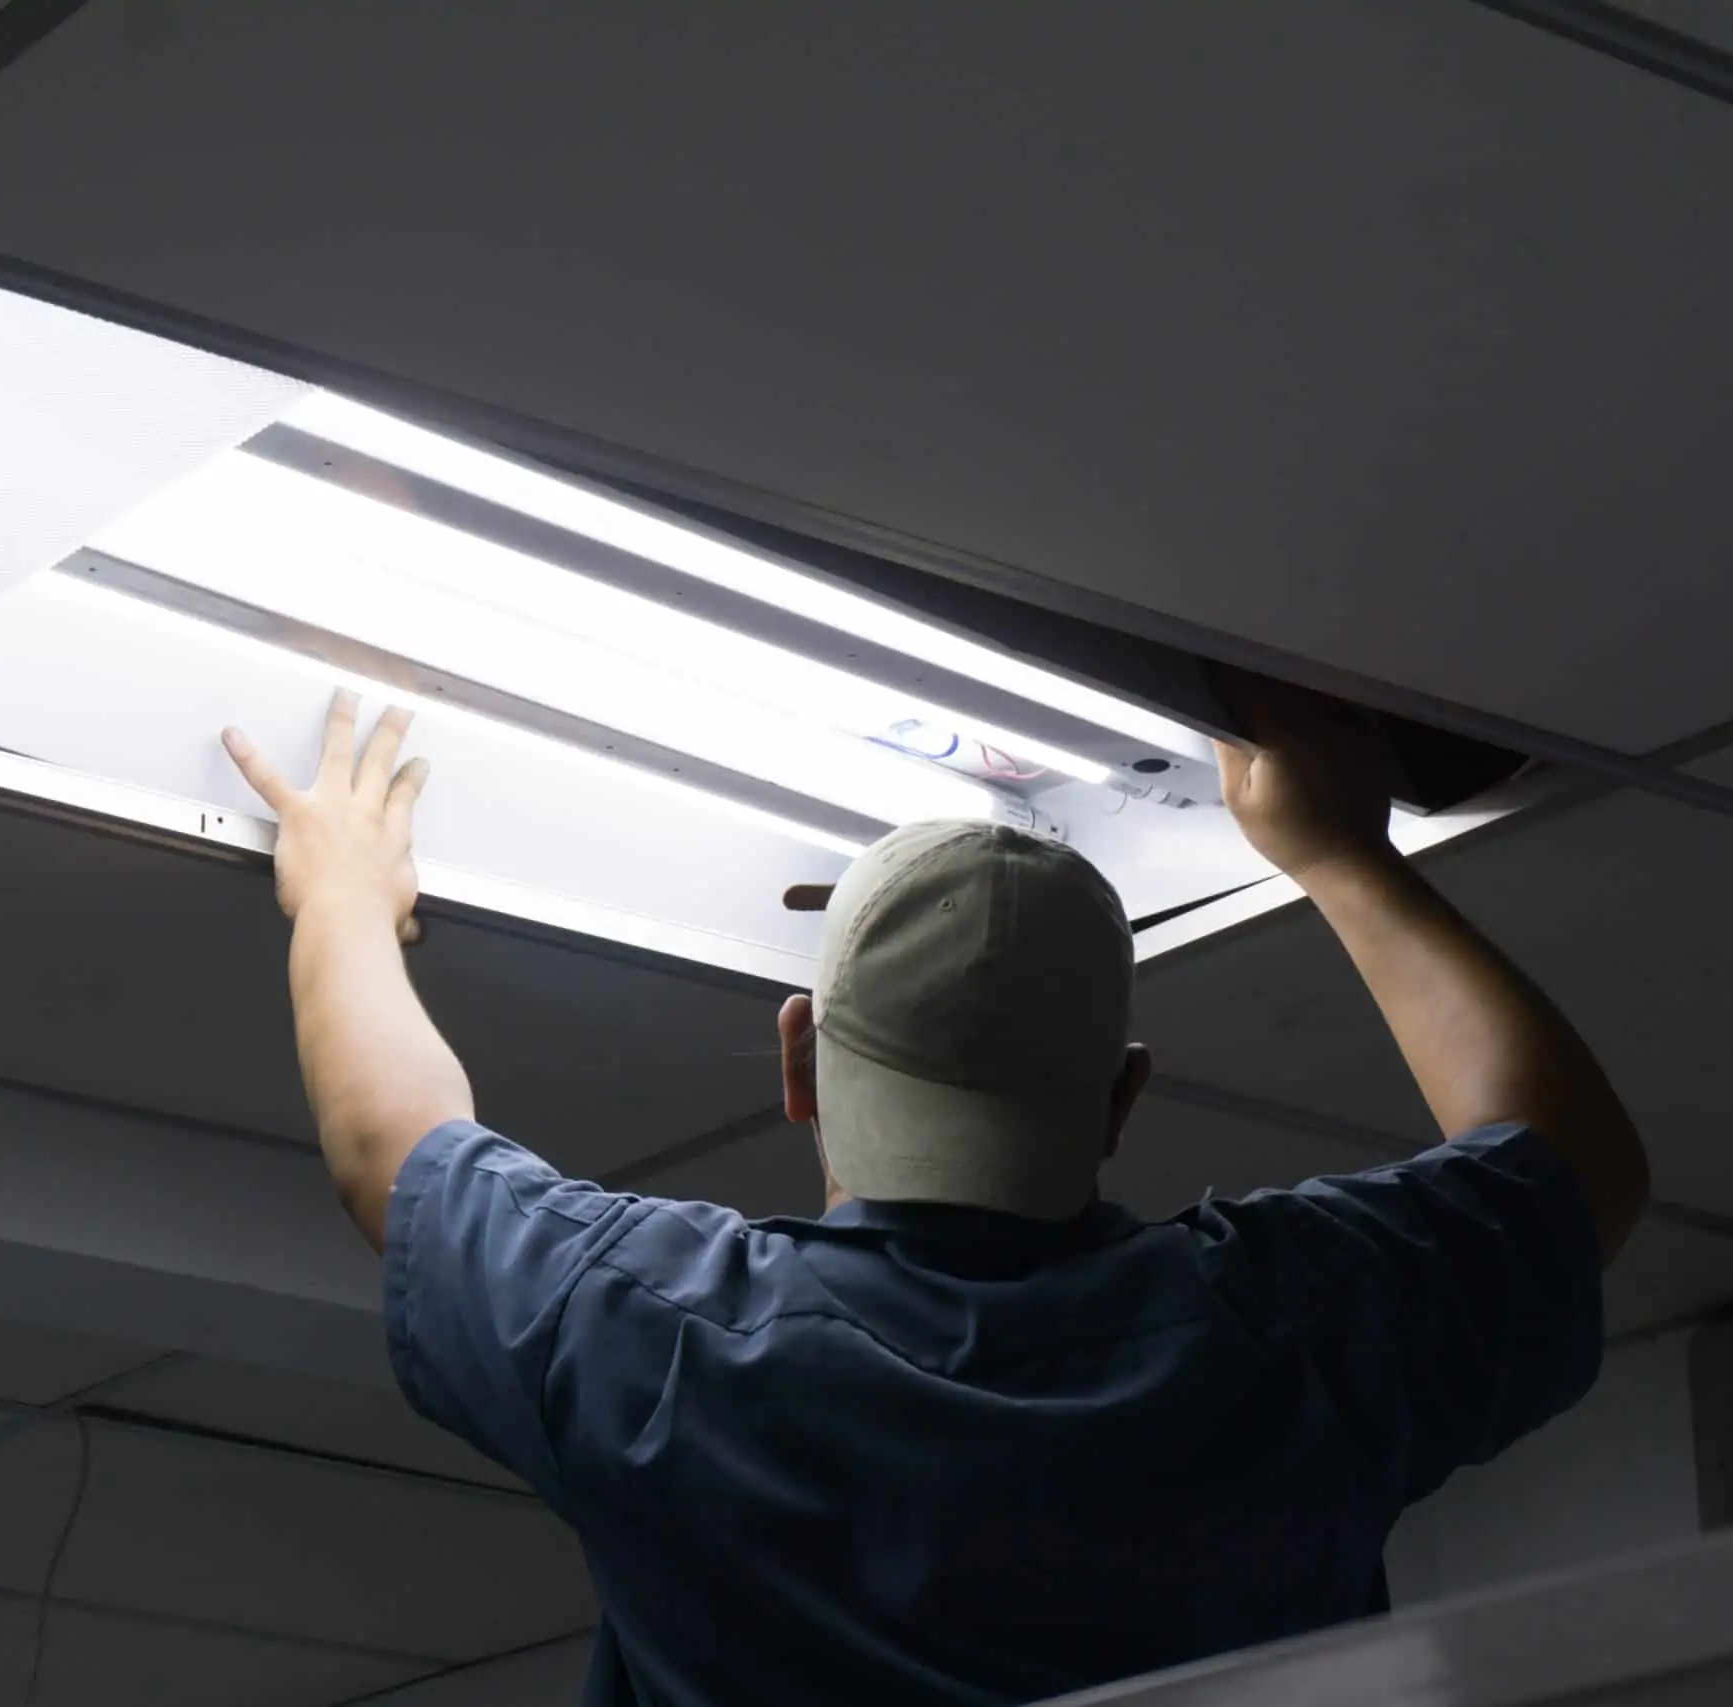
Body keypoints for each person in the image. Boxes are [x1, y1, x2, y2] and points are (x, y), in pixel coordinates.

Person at [220, 680, 1649, 1707]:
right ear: (1119, 1096)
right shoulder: (1291, 1338)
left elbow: (393, 1151)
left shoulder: (666, 1350)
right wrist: (1343, 851)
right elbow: (1572, 1161)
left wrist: (341, 887)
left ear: (800, 1060)